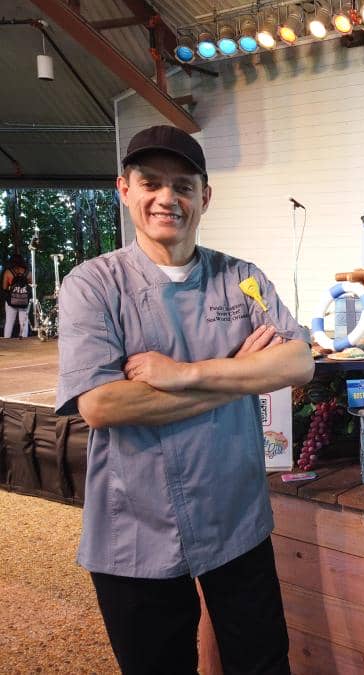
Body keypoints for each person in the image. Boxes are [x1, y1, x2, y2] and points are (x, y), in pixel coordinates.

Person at [55, 125, 315, 675]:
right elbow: (101, 405)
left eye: (183, 185)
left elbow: (298, 362)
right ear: (124, 189)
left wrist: (182, 374)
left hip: (236, 517)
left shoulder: (242, 279)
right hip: (134, 525)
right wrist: (242, 373)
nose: (167, 198)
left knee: (263, 663)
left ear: (205, 196)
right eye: (151, 183)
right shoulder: (93, 285)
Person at [2, 252, 31, 338]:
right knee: (24, 324)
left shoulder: (8, 272)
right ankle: (24, 344)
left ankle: (6, 343)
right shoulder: (28, 272)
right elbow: (32, 287)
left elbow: (4, 288)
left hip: (11, 301)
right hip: (24, 301)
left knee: (9, 323)